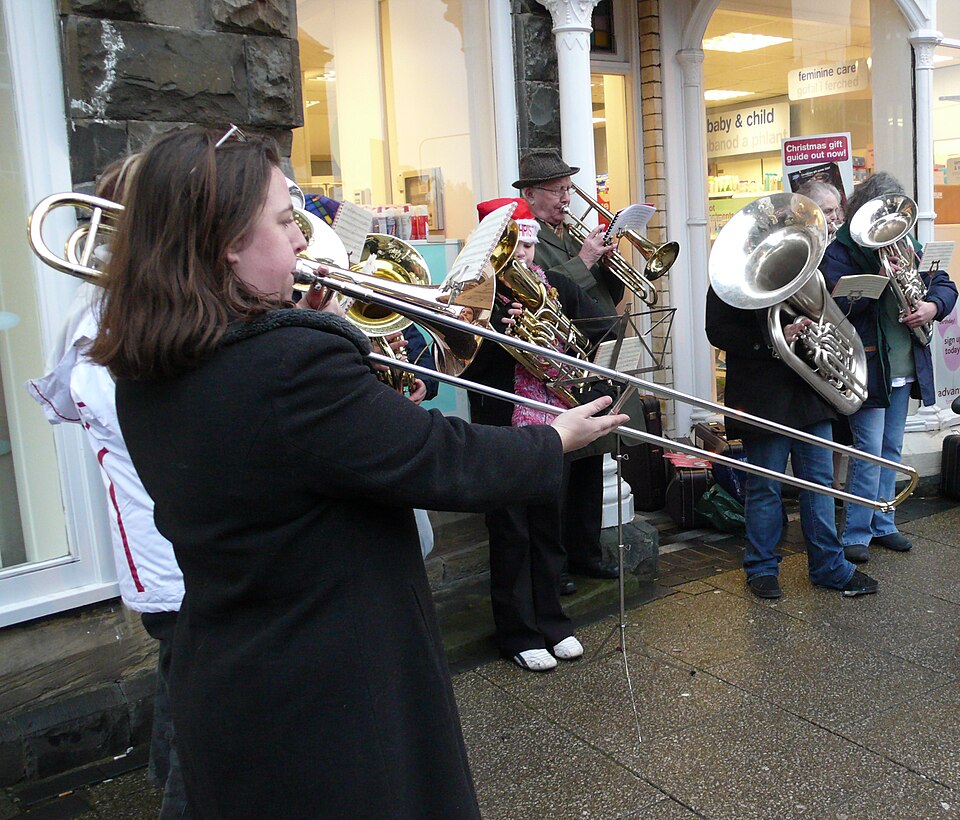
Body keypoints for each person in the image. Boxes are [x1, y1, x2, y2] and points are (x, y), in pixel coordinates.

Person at [87, 126, 627, 817]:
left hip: (238, 675)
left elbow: (309, 449)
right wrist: (554, 438)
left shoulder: (149, 359)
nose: (305, 240)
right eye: (285, 222)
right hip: (331, 695)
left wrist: (303, 329)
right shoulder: (287, 365)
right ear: (225, 244)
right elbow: (438, 457)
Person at [25, 155, 190, 819]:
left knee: (184, 687)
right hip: (176, 557)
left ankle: (161, 774)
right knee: (204, 727)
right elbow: (145, 431)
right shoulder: (116, 321)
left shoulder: (142, 308)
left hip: (182, 553)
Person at [466, 198, 615, 671]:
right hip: (503, 431)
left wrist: (563, 330)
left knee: (549, 528)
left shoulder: (559, 285)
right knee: (511, 531)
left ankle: (553, 620)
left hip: (555, 429)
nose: (526, 256)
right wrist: (497, 338)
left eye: (530, 246)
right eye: (516, 246)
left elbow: (604, 324)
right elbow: (465, 364)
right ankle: (517, 632)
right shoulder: (479, 296)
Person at [705, 283, 879, 600]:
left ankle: (829, 567)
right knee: (765, 486)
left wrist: (812, 329)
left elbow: (826, 313)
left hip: (809, 392)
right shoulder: (729, 279)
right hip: (762, 396)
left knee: (820, 484)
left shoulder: (800, 270)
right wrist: (774, 340)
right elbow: (718, 331)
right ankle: (761, 567)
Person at [821, 172, 957, 562]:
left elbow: (943, 283)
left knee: (891, 447)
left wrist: (932, 306)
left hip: (903, 362)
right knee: (868, 450)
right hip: (867, 364)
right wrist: (878, 282)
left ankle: (884, 523)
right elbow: (836, 308)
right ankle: (857, 534)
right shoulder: (840, 251)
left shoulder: (906, 242)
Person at [514, 149, 621, 586]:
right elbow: (545, 284)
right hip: (556, 358)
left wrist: (608, 260)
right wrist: (587, 258)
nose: (566, 198)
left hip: (591, 352)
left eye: (567, 189)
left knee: (592, 460)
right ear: (532, 194)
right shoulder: (525, 233)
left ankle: (587, 551)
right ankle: (555, 565)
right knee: (561, 468)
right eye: (558, 191)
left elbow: (607, 292)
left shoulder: (567, 231)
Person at [797, 178, 849, 492]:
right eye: (827, 211)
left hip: (833, 353)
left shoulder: (841, 246)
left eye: (836, 211)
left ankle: (835, 487)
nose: (834, 218)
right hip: (806, 359)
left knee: (841, 434)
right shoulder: (804, 246)